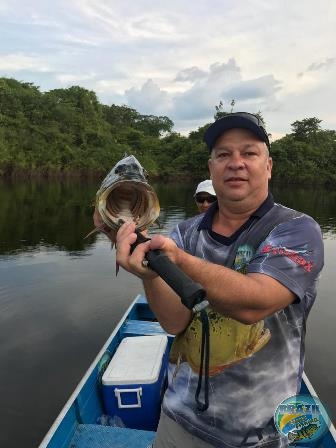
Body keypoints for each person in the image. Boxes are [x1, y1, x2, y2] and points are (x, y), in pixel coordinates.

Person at [105, 112, 324, 448]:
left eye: (249, 153)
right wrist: (151, 274)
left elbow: (256, 303)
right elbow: (174, 323)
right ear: (211, 169)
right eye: (223, 155)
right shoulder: (185, 231)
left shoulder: (296, 229)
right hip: (179, 418)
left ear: (268, 166)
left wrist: (177, 261)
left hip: (260, 434)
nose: (235, 163)